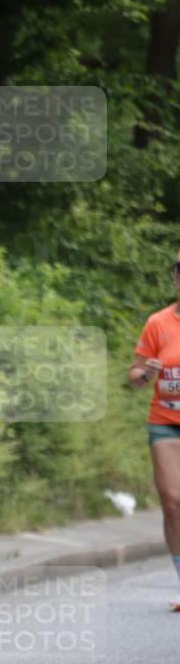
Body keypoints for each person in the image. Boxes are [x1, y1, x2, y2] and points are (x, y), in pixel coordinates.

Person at [129, 249, 180, 610]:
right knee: (173, 502)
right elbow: (133, 378)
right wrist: (146, 373)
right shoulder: (158, 323)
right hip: (164, 422)